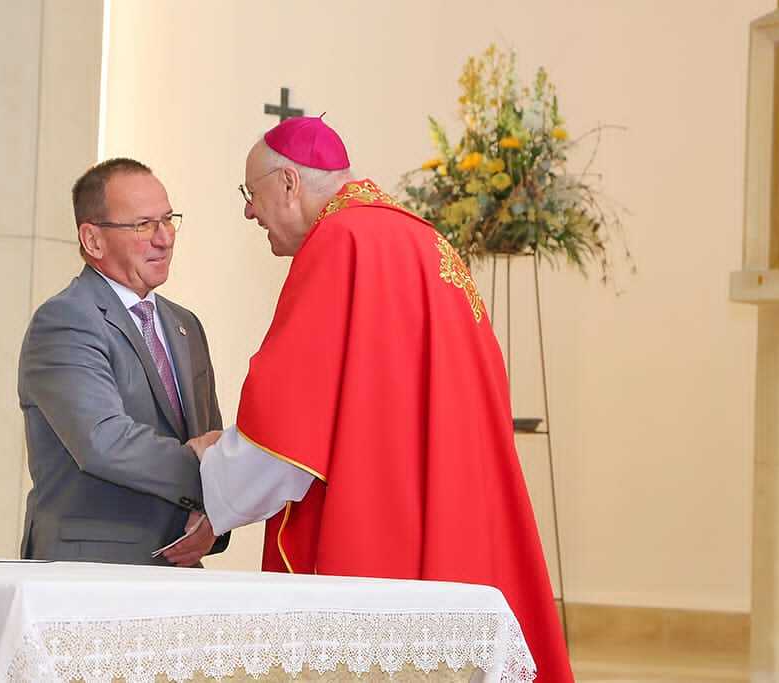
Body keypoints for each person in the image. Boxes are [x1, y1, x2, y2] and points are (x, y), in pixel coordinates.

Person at [193, 118, 572, 680]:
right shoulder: (426, 240)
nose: (250, 211)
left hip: (380, 530)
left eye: (252, 194)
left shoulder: (339, 242)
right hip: (455, 516)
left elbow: (289, 428)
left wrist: (212, 472)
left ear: (289, 183)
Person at [19, 157, 227, 567]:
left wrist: (216, 515)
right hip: (89, 570)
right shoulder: (66, 319)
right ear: (93, 240)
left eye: (168, 220)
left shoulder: (185, 325)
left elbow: (208, 436)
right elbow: (103, 441)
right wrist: (211, 471)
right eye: (143, 225)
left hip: (178, 568)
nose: (164, 238)